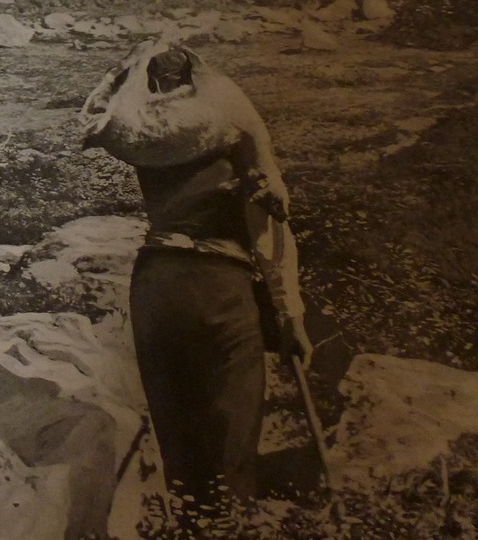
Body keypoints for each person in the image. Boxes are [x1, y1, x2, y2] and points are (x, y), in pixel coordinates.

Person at [84, 43, 311, 508]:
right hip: (218, 287)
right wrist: (291, 318)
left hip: (156, 286)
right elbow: (269, 235)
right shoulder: (231, 132)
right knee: (232, 437)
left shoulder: (147, 137)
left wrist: (134, 66)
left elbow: (104, 108)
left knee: (178, 434)